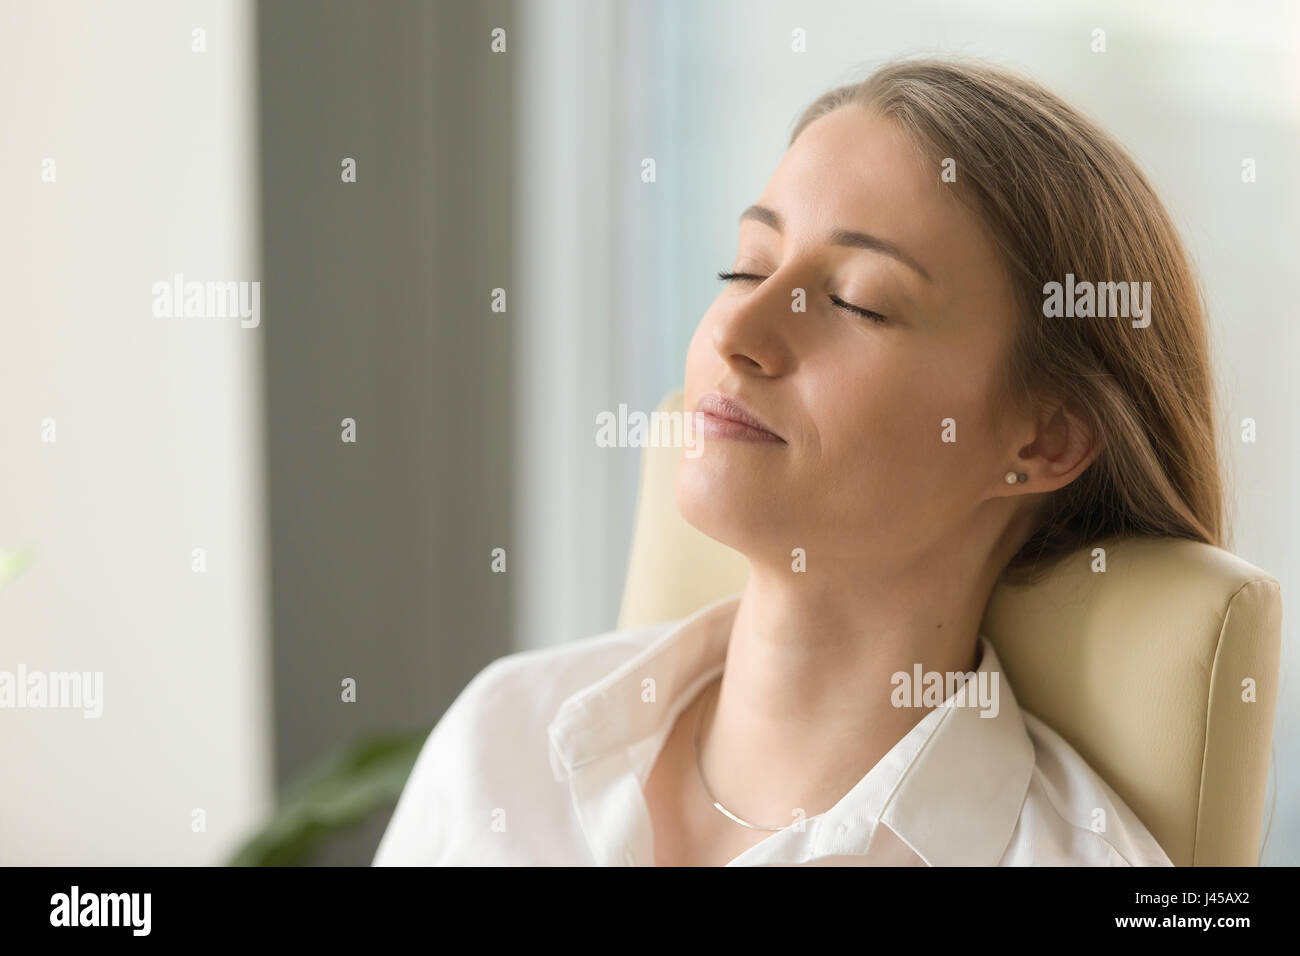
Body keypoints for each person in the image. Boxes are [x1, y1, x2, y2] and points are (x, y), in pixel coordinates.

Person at [375, 56, 1223, 866]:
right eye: (745, 268)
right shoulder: (505, 741)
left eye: (857, 302)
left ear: (1046, 441)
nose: (735, 334)